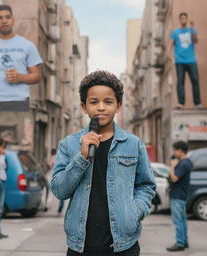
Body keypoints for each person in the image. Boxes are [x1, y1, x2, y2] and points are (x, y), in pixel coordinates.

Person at [51, 70, 156, 256]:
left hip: (123, 245)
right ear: (84, 106)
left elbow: (146, 186)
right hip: (80, 245)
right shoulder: (69, 144)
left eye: (108, 102)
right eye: (94, 102)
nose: (101, 107)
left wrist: (134, 212)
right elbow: (59, 190)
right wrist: (81, 158)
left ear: (118, 105)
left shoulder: (133, 144)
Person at [0, 4, 42, 111]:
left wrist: (20, 77)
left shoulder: (27, 45)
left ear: (13, 20)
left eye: (7, 17)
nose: (4, 21)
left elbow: (37, 76)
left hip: (20, 101)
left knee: (21, 128)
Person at [168, 12, 201, 109]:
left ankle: (197, 103)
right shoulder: (175, 32)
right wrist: (170, 56)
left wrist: (193, 29)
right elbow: (171, 44)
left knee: (195, 80)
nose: (183, 20)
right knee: (180, 81)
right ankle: (181, 103)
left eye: (184, 18)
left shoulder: (192, 30)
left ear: (187, 19)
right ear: (179, 20)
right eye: (181, 18)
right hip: (179, 61)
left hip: (191, 60)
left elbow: (196, 41)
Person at [167, 141, 192, 252]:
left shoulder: (183, 163)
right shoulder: (185, 162)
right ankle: (184, 241)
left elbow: (174, 178)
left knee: (178, 221)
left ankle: (180, 243)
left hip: (178, 195)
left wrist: (172, 167)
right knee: (182, 220)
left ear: (180, 150)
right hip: (181, 195)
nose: (174, 152)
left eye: (175, 150)